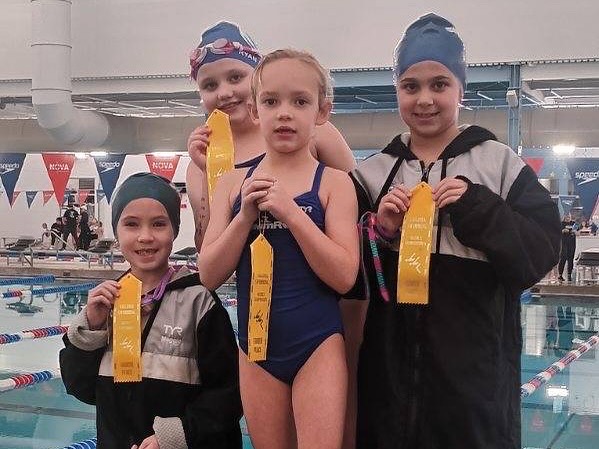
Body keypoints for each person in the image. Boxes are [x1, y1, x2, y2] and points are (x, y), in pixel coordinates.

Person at [347, 13, 561, 449]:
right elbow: (346, 275)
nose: (424, 99)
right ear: (397, 91)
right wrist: (380, 231)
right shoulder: (372, 175)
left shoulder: (499, 164)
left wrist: (479, 207)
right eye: (410, 86)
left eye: (439, 84)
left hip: (475, 389)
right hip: (388, 388)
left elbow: (540, 254)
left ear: (461, 90)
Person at [199, 49, 359, 449]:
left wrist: (292, 214)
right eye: (271, 101)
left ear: (322, 112)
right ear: (255, 111)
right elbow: (209, 275)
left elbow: (344, 276)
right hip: (255, 349)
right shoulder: (232, 184)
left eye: (300, 102)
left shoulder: (334, 183)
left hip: (318, 345)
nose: (284, 113)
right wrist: (243, 218)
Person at [59, 173, 242, 449]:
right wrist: (92, 327)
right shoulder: (107, 302)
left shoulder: (199, 302)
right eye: (131, 224)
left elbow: (229, 394)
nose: (145, 237)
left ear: (174, 231)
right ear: (116, 232)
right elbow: (80, 387)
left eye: (158, 224)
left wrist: (173, 436)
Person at [186, 21, 356, 250]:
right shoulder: (198, 161)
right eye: (210, 85)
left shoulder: (315, 132)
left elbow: (359, 208)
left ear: (258, 78)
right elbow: (203, 245)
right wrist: (208, 172)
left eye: (235, 77)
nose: (224, 93)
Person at [558, 213, 577, 281]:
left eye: (569, 217)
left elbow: (577, 231)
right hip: (564, 243)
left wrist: (574, 231)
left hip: (572, 243)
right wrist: (563, 231)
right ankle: (560, 274)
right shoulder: (561, 224)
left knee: (570, 258)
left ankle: (569, 274)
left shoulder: (573, 223)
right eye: (566, 217)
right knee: (563, 257)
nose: (567, 218)